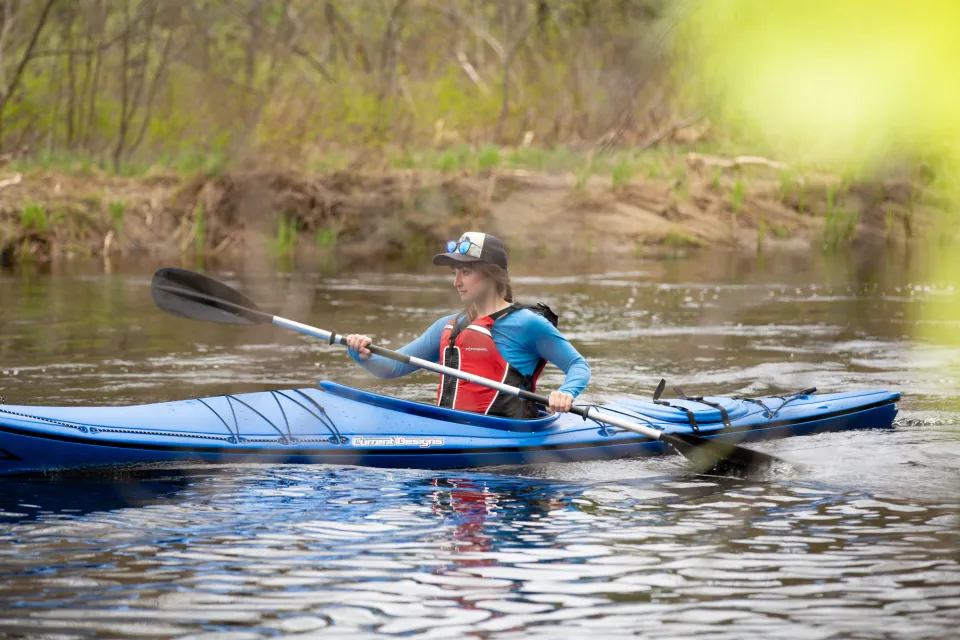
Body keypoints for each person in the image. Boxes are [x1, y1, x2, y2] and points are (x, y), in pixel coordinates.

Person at [345, 231, 591, 418]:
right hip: (451, 431)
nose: (456, 282)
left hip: (508, 439)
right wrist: (362, 353)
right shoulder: (447, 327)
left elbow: (578, 365)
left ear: (492, 274)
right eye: (454, 272)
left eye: (465, 272)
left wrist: (565, 392)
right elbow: (391, 368)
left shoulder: (527, 325)